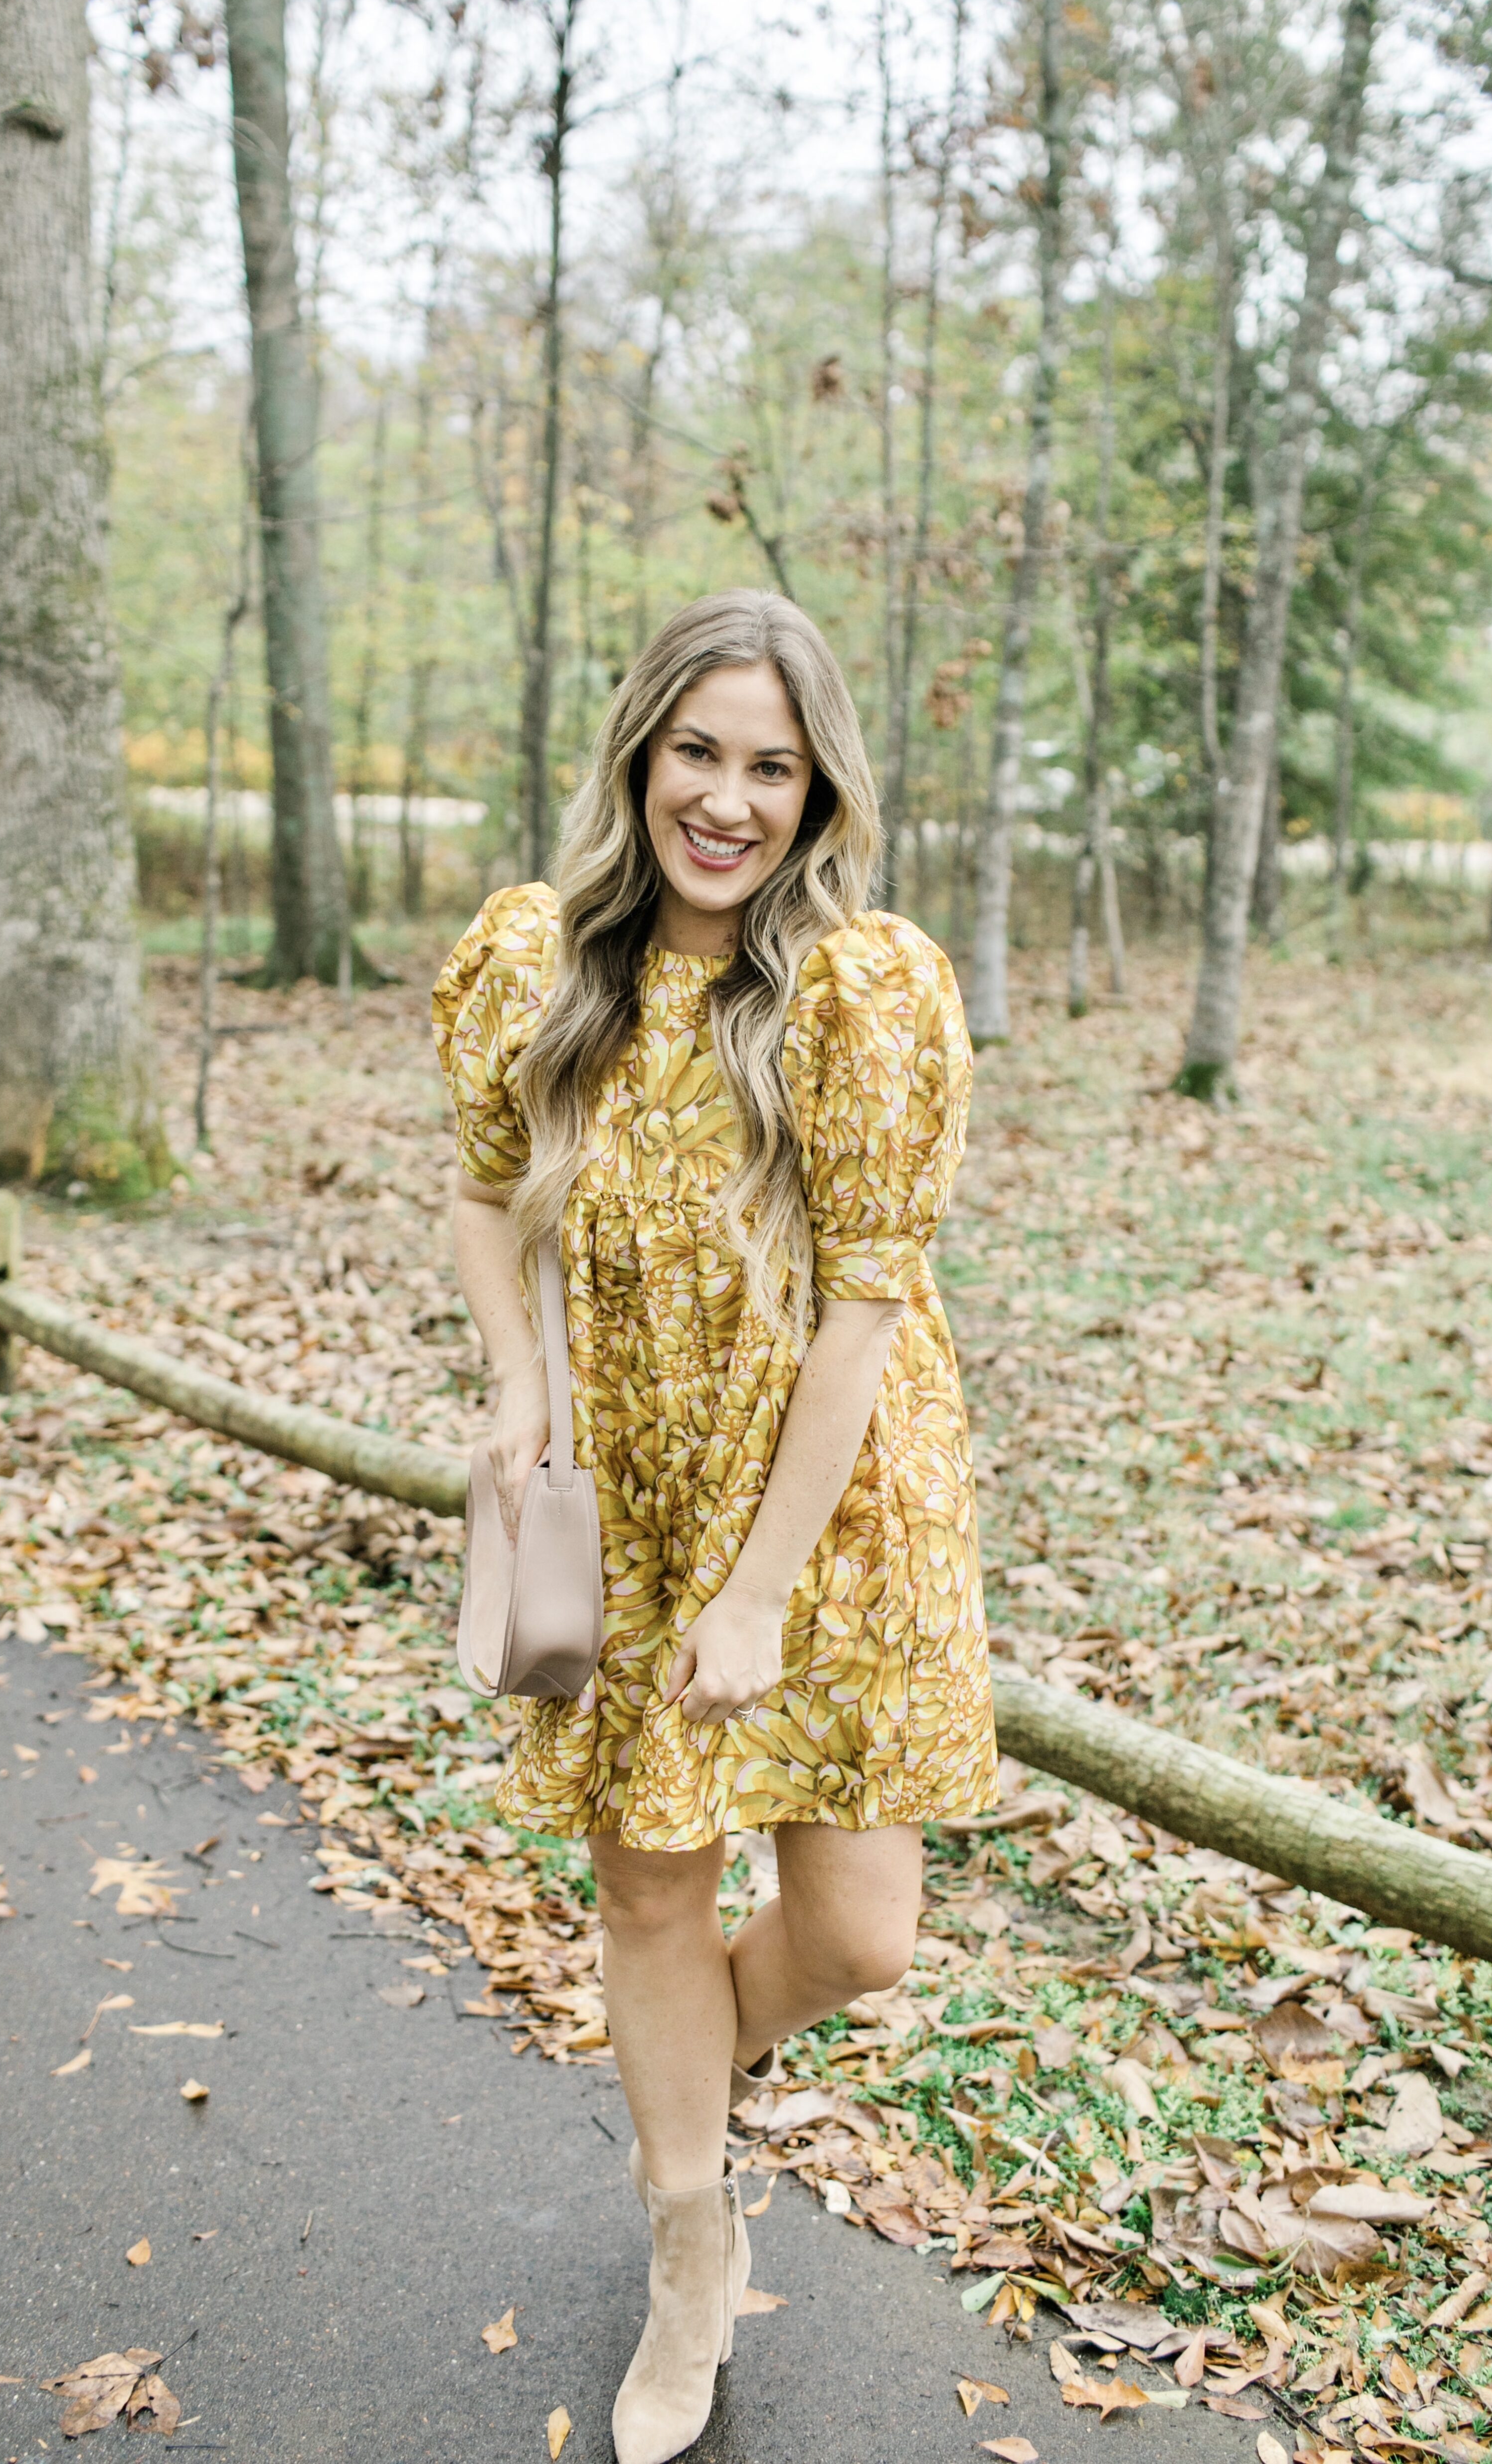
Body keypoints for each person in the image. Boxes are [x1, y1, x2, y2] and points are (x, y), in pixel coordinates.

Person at [433, 588, 996, 2464]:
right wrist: (520, 1383)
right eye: (700, 753)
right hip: (644, 1491)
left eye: (772, 765)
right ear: (640, 755)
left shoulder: (861, 986)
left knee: (856, 1936)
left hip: (835, 1508)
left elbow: (865, 1305)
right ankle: (692, 2244)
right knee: (653, 1888)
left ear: (818, 782)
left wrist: (759, 1593)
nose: (729, 802)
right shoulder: (540, 961)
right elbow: (479, 1198)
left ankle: (678, 2056)